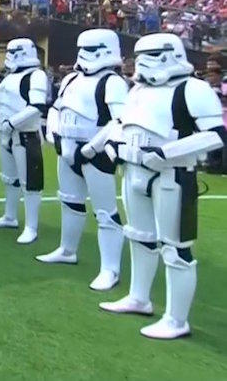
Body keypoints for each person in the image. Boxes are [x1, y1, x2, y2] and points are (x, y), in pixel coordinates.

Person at [89, 34, 225, 339]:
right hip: (133, 171)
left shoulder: (193, 89)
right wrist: (111, 145)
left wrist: (167, 153)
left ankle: (177, 319)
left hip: (172, 175)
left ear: (168, 54)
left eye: (149, 55)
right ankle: (139, 297)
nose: (141, 63)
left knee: (175, 248)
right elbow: (122, 123)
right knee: (139, 237)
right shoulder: (138, 90)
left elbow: (216, 134)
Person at [37, 29, 129, 291]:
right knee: (69, 202)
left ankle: (110, 269)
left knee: (106, 212)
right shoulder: (71, 79)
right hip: (66, 147)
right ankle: (67, 249)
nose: (84, 54)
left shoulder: (112, 82)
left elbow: (119, 121)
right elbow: (56, 107)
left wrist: (92, 147)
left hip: (95, 152)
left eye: (90, 48)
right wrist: (53, 133)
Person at [0, 38, 48, 244]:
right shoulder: (10, 77)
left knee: (29, 182)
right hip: (6, 133)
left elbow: (36, 106)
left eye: (13, 51)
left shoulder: (36, 76)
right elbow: (2, 102)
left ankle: (31, 226)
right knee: (9, 178)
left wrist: (12, 123)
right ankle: (10, 215)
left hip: (25, 135)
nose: (9, 55)